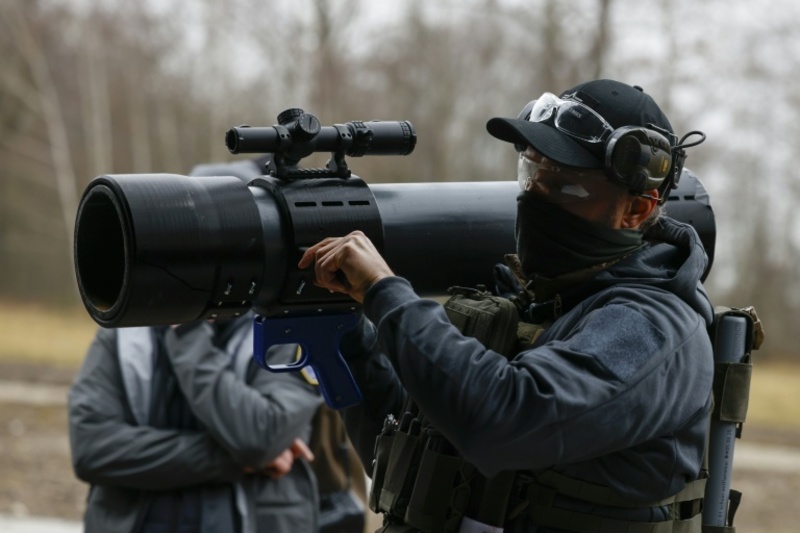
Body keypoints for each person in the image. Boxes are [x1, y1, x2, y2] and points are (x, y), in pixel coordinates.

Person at [298, 79, 714, 532]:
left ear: (636, 210)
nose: (535, 195)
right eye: (531, 173)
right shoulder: (534, 302)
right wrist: (350, 336)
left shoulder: (654, 328)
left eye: (564, 186)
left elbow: (505, 420)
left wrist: (385, 292)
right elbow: (410, 458)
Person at [67, 312, 323, 532]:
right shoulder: (124, 331)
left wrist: (189, 336)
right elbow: (92, 449)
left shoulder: (285, 328)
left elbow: (263, 436)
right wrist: (233, 459)